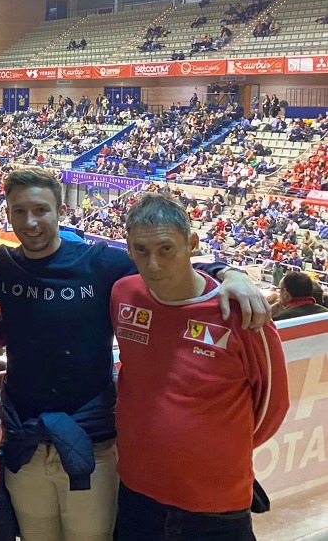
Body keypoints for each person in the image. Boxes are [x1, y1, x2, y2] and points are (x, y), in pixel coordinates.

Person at [0, 167, 271, 541]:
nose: (30, 221)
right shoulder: (2, 266)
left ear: (60, 211)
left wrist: (230, 271)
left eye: (40, 209)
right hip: (25, 441)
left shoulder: (100, 264)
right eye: (19, 211)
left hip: (93, 440)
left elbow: (165, 260)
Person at [112, 193, 288, 540]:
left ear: (192, 243)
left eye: (166, 249)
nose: (154, 265)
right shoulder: (122, 293)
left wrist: (215, 450)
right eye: (141, 251)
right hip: (136, 492)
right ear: (128, 249)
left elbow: (272, 407)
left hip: (214, 504)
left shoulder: (242, 313)